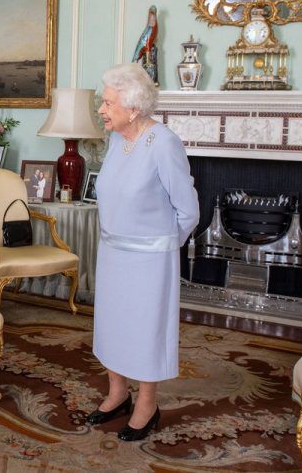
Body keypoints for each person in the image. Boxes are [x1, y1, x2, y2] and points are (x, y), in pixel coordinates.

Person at [87, 63, 199, 441]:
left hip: (150, 259)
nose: (101, 109)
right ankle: (117, 393)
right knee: (112, 325)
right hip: (113, 252)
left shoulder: (163, 143)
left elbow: (188, 209)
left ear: (133, 108)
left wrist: (163, 245)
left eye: (107, 103)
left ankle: (147, 404)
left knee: (146, 330)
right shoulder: (117, 139)